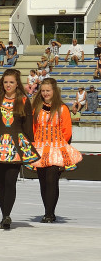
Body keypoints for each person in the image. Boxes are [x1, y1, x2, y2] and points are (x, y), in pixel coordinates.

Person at [0, 69, 38, 230]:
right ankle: (4, 215)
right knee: (0, 182)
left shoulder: (23, 100)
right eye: (5, 82)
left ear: (17, 83)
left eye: (11, 82)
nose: (8, 85)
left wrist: (31, 144)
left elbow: (28, 124)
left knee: (10, 181)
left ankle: (7, 215)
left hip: (16, 143)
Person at [31, 78, 81, 223]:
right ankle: (47, 210)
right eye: (43, 91)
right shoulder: (37, 108)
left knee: (52, 180)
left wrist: (63, 152)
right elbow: (34, 129)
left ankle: (49, 213)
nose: (45, 93)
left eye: (48, 91)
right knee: (43, 182)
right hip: (40, 149)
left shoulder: (62, 108)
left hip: (56, 149)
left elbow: (67, 131)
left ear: (54, 91)